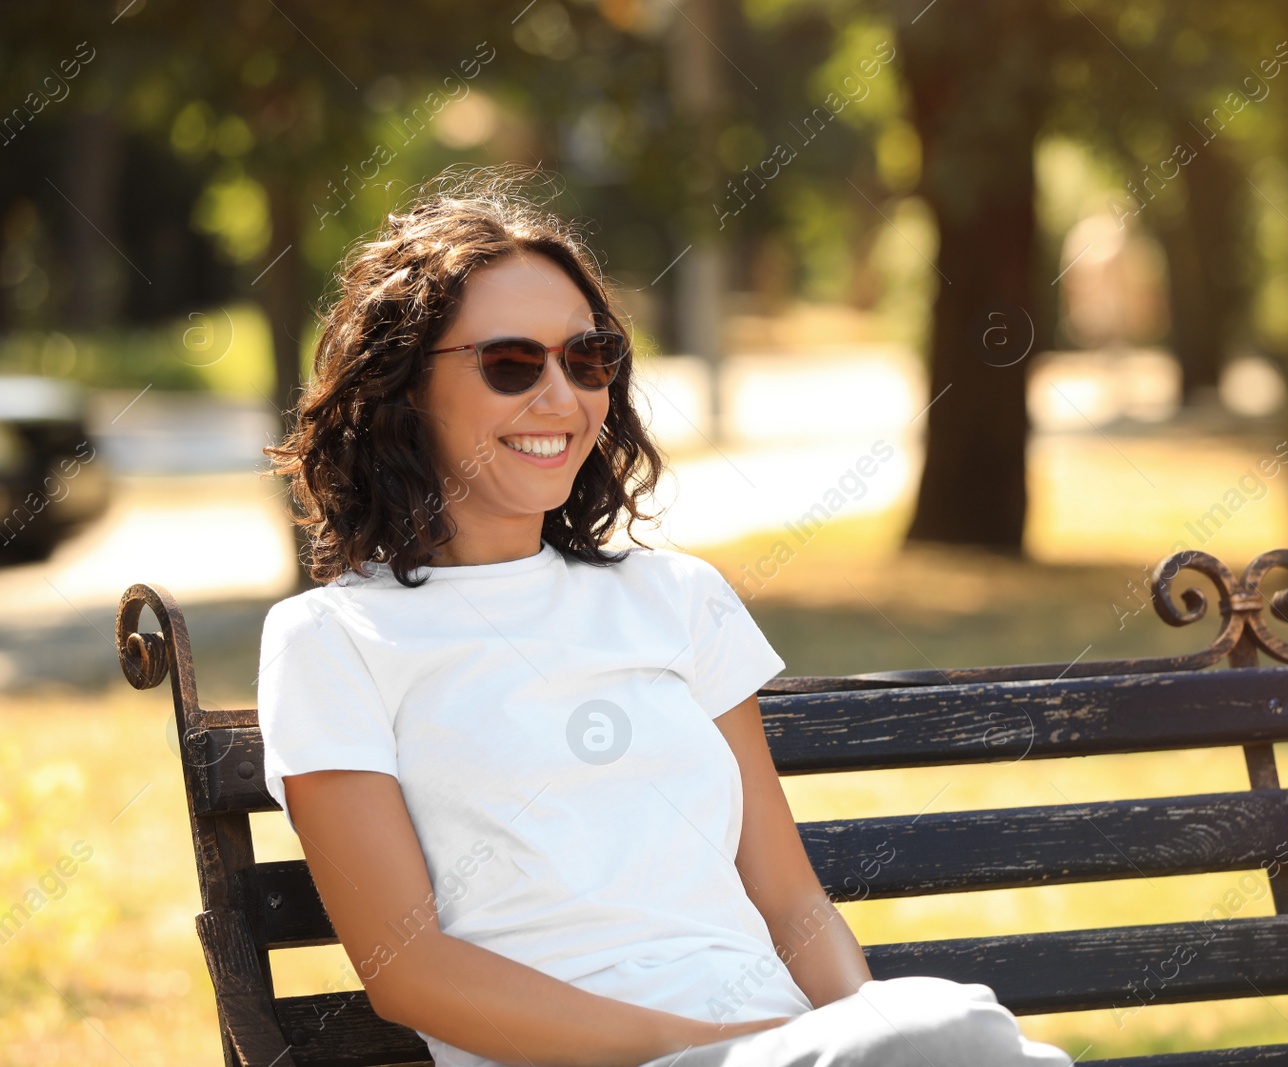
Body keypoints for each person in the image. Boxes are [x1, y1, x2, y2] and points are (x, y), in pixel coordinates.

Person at [258, 163, 1075, 1067]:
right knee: (952, 1030)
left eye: (588, 357)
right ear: (407, 387)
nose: (562, 397)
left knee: (943, 1031)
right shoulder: (333, 643)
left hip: (789, 1049)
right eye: (510, 363)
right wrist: (714, 1045)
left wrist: (858, 1029)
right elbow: (408, 969)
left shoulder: (675, 597)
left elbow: (793, 905)